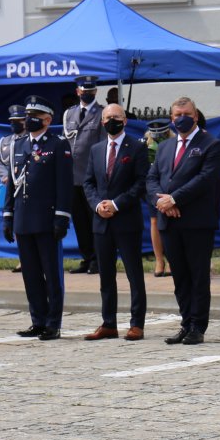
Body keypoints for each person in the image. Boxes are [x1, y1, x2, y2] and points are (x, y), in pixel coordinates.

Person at [146, 96, 220, 346]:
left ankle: (197, 326)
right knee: (179, 276)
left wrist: (175, 200)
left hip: (197, 222)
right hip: (169, 221)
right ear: (171, 118)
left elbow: (205, 179)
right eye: (177, 115)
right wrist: (161, 202)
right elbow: (151, 178)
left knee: (197, 275)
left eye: (187, 114)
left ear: (195, 115)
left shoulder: (211, 145)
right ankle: (185, 321)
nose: (182, 118)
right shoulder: (165, 147)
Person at [4, 96, 73, 341]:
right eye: (28, 115)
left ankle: (53, 323)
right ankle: (38, 320)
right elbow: (13, 183)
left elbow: (64, 185)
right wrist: (8, 216)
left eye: (35, 116)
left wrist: (61, 217)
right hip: (23, 218)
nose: (30, 119)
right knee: (30, 274)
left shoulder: (58, 145)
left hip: (46, 218)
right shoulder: (18, 145)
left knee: (51, 274)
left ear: (47, 120)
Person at [83, 103, 151, 342]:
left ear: (125, 120)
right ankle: (108, 323)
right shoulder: (96, 149)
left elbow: (141, 182)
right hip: (101, 222)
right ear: (102, 122)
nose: (113, 120)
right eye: (109, 117)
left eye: (118, 117)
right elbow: (88, 182)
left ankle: (136, 324)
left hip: (126, 220)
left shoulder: (137, 147)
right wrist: (97, 204)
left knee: (134, 274)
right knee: (106, 276)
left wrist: (116, 204)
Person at [62, 74, 105, 274]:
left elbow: (104, 146)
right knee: (79, 221)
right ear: (77, 91)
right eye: (83, 90)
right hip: (72, 176)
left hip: (93, 176)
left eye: (90, 91)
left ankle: (98, 258)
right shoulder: (69, 114)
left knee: (94, 219)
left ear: (95, 91)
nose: (86, 93)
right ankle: (86, 257)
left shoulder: (101, 113)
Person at [0, 104, 28, 273]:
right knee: (11, 223)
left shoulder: (30, 139)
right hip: (8, 187)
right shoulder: (4, 141)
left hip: (25, 187)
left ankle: (27, 259)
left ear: (25, 121)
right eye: (12, 121)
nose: (15, 124)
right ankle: (21, 258)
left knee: (24, 223)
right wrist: (5, 177)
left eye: (18, 120)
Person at [143, 118, 173, 277]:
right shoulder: (145, 145)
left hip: (171, 189)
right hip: (153, 189)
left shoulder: (174, 142)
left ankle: (172, 260)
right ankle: (159, 260)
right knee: (154, 221)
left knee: (170, 223)